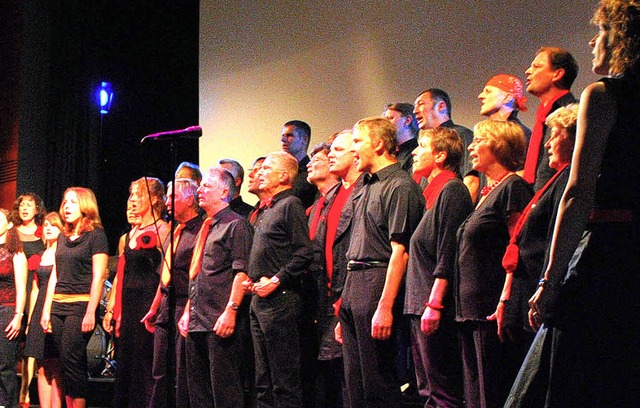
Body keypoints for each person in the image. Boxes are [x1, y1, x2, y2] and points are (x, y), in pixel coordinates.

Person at [513, 2, 640, 406]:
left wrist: (549, 282)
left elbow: (578, 191)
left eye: (601, 30)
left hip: (606, 256)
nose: (592, 40)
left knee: (564, 377)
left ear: (624, 37)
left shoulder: (604, 95)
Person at [336, 117, 424, 407]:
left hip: (377, 282)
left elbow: (401, 251)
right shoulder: (366, 186)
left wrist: (385, 306)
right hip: (354, 285)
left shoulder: (400, 187)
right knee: (354, 383)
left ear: (378, 144)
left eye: (358, 142)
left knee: (378, 381)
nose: (353, 150)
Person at [454, 120, 532, 408]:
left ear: (498, 145)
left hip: (491, 307)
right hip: (470, 309)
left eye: (478, 141)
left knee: (492, 391)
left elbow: (517, 246)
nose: (471, 147)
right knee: (475, 392)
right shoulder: (488, 193)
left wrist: (506, 298)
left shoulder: (513, 187)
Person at [489, 105, 578, 346]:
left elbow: (552, 241)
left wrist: (544, 288)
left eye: (554, 136)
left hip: (535, 297)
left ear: (576, 138)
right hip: (524, 295)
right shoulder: (557, 179)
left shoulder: (569, 183)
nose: (547, 145)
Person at [404, 128, 473, 408]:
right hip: (418, 303)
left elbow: (448, 253)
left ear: (441, 155)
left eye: (422, 146)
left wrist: (434, 303)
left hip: (432, 305)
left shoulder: (453, 190)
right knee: (427, 389)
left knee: (442, 390)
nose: (414, 152)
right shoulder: (429, 195)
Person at [178, 167, 253, 408]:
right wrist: (188, 311)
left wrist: (231, 311)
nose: (200, 190)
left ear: (224, 192)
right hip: (198, 320)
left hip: (220, 320)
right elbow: (198, 274)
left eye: (206, 186)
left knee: (225, 390)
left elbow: (241, 272)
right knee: (199, 392)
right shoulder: (206, 227)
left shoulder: (236, 225)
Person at [244, 151, 313, 407]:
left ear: (284, 176)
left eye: (267, 168)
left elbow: (305, 252)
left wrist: (276, 280)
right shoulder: (267, 209)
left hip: (280, 301)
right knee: (263, 378)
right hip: (259, 301)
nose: (260, 172)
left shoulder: (290, 204)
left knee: (283, 379)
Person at [103, 178, 169, 407]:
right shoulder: (130, 234)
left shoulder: (163, 230)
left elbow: (166, 274)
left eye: (137, 195)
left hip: (148, 305)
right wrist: (112, 309)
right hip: (128, 306)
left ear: (154, 199)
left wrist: (157, 307)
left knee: (144, 363)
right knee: (126, 363)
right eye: (131, 195)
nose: (132, 200)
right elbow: (121, 274)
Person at [40, 187, 109, 408]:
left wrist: (91, 311)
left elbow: (99, 277)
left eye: (73, 202)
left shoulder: (96, 236)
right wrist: (46, 310)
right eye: (65, 202)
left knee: (73, 360)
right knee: (66, 361)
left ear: (85, 205)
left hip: (80, 305)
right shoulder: (62, 237)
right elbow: (55, 275)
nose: (67, 206)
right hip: (58, 305)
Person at [144, 179, 202, 408]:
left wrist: (188, 310)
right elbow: (165, 274)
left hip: (186, 304)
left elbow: (196, 277)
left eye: (173, 197)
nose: (167, 202)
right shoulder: (176, 231)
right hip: (167, 305)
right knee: (159, 369)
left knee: (181, 370)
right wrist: (154, 307)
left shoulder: (201, 230)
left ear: (189, 200)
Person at [304, 142, 340, 408]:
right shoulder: (316, 206)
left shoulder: (345, 198)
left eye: (315, 159)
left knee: (336, 371)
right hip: (315, 299)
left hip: (335, 296)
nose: (309, 164)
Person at [24, 212, 65, 408]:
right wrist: (32, 318)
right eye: (46, 225)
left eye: (54, 225)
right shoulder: (41, 255)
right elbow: (35, 289)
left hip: (55, 308)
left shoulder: (63, 254)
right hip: (39, 308)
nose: (48, 228)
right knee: (41, 365)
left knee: (55, 365)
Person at [9, 193, 46, 408]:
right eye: (22, 205)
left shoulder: (43, 233)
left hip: (35, 290)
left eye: (29, 205)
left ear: (36, 210)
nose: (24, 208)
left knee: (30, 341)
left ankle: (25, 390)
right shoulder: (11, 232)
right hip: (12, 290)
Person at [523, 47, 578, 191]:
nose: (528, 71)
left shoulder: (571, 115)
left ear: (557, 74)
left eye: (537, 66)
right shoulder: (543, 114)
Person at [413, 89, 478, 201]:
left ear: (441, 106)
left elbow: (471, 181)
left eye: (421, 104)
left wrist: (463, 214)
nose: (415, 111)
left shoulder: (461, 135)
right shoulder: (423, 147)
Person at [0, 208, 28, 408]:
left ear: (9, 225)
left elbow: (22, 288)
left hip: (7, 310)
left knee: (4, 365)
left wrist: (18, 316)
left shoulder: (15, 252)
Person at [478, 74, 531, 143]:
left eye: (488, 91)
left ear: (507, 98)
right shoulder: (485, 131)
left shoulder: (520, 135)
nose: (480, 96)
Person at [281, 120, 318, 208]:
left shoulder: (312, 174)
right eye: (283, 135)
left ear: (304, 139)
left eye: (289, 135)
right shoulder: (280, 172)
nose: (283, 139)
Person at [383, 103, 420, 173]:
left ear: (407, 121)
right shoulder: (391, 153)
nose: (385, 124)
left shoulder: (416, 153)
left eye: (390, 118)